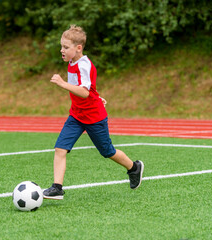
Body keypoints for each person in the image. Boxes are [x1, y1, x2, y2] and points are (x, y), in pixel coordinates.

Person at [43, 25, 144, 200]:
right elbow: (89, 88)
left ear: (78, 48)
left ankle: (134, 168)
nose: (62, 50)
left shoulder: (83, 64)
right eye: (61, 46)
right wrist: (97, 96)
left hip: (94, 118)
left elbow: (84, 91)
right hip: (76, 115)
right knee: (60, 149)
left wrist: (62, 83)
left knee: (107, 151)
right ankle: (57, 187)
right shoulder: (72, 63)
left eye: (66, 47)